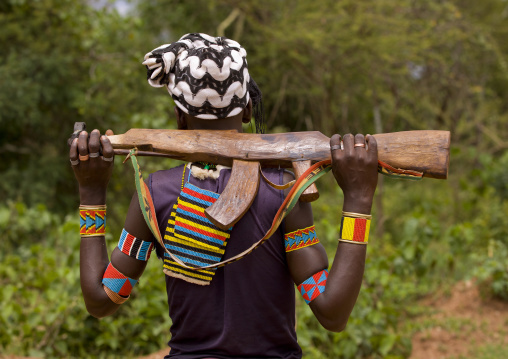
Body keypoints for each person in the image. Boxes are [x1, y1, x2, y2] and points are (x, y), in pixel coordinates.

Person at [69, 33, 378, 359]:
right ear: (247, 110)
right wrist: (358, 198)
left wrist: (91, 192)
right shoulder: (284, 192)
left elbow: (102, 301)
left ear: (179, 115)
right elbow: (332, 312)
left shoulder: (154, 195)